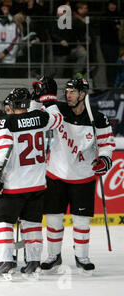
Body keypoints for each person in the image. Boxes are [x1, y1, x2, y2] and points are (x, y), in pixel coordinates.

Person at [0, 87, 63, 280]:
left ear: (11, 104)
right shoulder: (41, 117)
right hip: (37, 184)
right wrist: (48, 98)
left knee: (2, 221)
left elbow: (2, 151)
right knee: (33, 223)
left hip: (14, 184)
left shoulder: (7, 121)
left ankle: (5, 261)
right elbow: (58, 118)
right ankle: (34, 263)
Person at [42, 77, 115, 274]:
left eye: (73, 92)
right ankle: (53, 255)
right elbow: (40, 115)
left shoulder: (97, 118)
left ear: (83, 94)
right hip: (56, 173)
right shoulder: (59, 111)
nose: (68, 95)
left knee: (81, 220)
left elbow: (107, 144)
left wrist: (104, 159)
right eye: (67, 91)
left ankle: (82, 256)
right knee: (53, 219)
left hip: (83, 176)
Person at [50, 5, 87, 78]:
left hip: (71, 49)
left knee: (83, 53)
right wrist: (60, 40)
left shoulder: (72, 23)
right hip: (60, 52)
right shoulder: (53, 23)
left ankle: (76, 75)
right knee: (59, 74)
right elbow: (52, 34)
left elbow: (79, 34)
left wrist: (81, 45)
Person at [0, 2, 21, 78]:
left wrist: (5, 53)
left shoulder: (14, 25)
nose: (5, 11)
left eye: (7, 9)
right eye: (3, 9)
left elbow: (15, 41)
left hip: (9, 60)